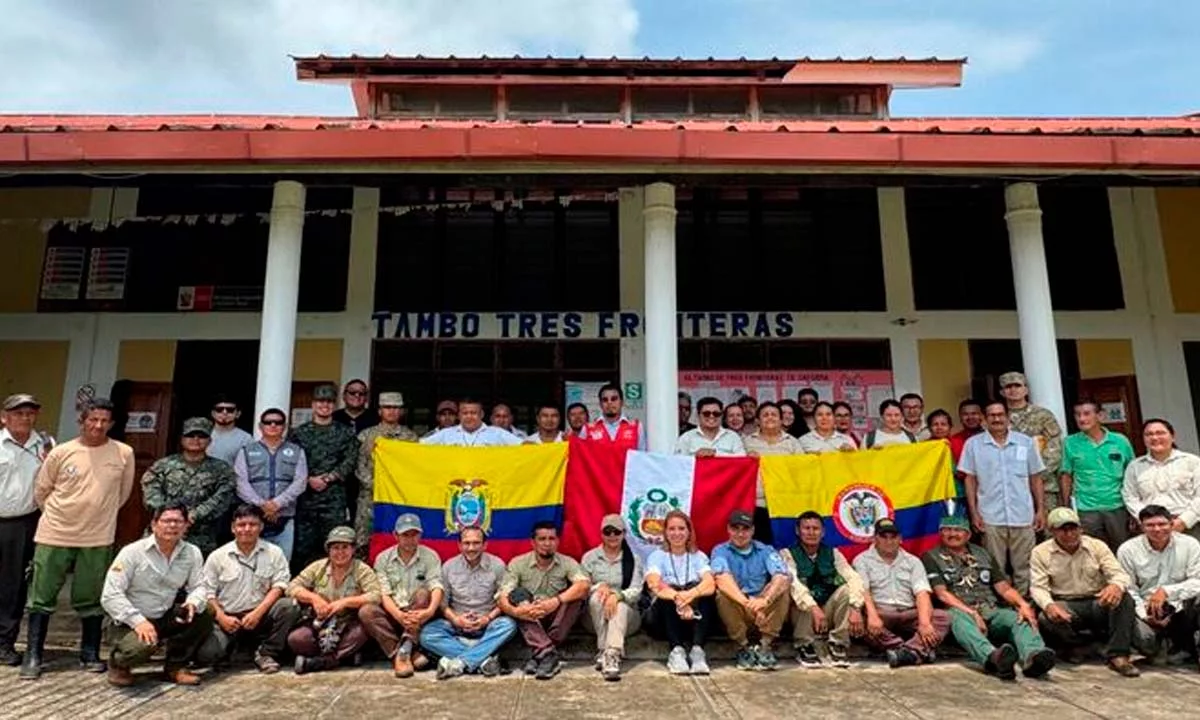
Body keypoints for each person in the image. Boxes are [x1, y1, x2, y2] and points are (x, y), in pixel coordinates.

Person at [22, 397, 135, 680]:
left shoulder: (124, 453)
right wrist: (61, 515)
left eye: (104, 421)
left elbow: (122, 494)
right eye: (92, 419)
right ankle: (33, 655)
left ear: (112, 423)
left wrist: (97, 513)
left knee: (91, 595)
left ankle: (89, 653)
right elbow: (42, 490)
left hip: (98, 536)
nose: (98, 425)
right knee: (42, 595)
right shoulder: (62, 452)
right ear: (82, 421)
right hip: (55, 533)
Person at [922, 515, 1055, 680]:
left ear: (968, 535)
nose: (952, 534)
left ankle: (1034, 658)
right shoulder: (931, 557)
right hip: (959, 610)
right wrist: (971, 612)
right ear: (940, 533)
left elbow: (1003, 588)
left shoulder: (982, 553)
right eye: (947, 530)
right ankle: (993, 658)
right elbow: (941, 594)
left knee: (1019, 618)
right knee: (956, 618)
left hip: (990, 608)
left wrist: (1023, 604)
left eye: (958, 530)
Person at [101, 503, 213, 687]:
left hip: (163, 616)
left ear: (186, 526)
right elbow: (110, 595)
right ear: (154, 524)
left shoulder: (192, 553)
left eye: (178, 521)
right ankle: (118, 664)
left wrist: (193, 602)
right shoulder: (132, 552)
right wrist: (138, 622)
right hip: (128, 621)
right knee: (141, 647)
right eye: (166, 521)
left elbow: (199, 586)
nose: (172, 526)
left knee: (204, 611)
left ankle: (176, 666)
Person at [1030, 507, 1139, 676]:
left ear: (1081, 528)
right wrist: (1049, 605)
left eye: (1073, 528)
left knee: (1124, 598)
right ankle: (1079, 646)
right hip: (1066, 603)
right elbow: (1038, 587)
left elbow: (1119, 574)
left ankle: (1119, 655)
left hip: (1097, 600)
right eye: (1062, 529)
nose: (1069, 534)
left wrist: (1115, 585)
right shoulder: (1040, 552)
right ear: (1052, 531)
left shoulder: (1097, 546)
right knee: (1046, 618)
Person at [197, 504, 298, 674]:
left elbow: (279, 586)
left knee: (289, 606)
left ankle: (267, 653)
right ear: (233, 528)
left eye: (253, 524)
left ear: (261, 527)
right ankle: (233, 651)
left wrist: (257, 613)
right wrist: (221, 617)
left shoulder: (274, 552)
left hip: (261, 615)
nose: (247, 529)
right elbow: (207, 592)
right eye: (241, 525)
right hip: (229, 618)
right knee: (207, 655)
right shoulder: (217, 556)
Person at [959, 401, 1046, 596]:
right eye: (992, 415)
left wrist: (1040, 510)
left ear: (1008, 417)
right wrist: (974, 513)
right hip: (990, 515)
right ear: (984, 419)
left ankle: (1025, 603)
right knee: (994, 566)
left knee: (1025, 566)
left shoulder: (1025, 442)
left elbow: (1035, 478)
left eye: (1000, 415)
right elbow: (970, 480)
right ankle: (1001, 603)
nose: (996, 419)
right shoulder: (973, 445)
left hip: (1022, 514)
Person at [418, 527, 517, 680]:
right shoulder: (449, 567)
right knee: (427, 634)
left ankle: (460, 662)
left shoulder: (497, 566)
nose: (471, 548)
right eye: (467, 543)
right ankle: (483, 659)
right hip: (457, 625)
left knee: (508, 625)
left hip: (487, 624)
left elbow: (502, 601)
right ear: (459, 545)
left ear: (485, 545)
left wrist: (487, 619)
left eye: (476, 543)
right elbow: (443, 604)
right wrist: (456, 619)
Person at [0, 393, 54, 666]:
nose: (25, 418)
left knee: (13, 587)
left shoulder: (46, 445)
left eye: (30, 413)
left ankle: (4, 644)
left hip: (23, 523)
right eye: (18, 413)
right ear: (4, 417)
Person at [497, 521, 590, 680]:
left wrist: (556, 601)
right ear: (533, 542)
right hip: (530, 618)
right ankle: (548, 654)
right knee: (516, 595)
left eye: (551, 539)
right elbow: (502, 596)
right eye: (542, 539)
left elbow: (584, 585)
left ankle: (540, 654)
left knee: (576, 597)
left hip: (556, 618)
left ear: (557, 541)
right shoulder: (518, 563)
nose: (547, 544)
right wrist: (516, 611)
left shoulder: (567, 562)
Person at [852, 517, 950, 667]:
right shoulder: (862, 560)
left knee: (942, 617)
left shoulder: (913, 561)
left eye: (893, 537)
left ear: (900, 539)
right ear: (875, 539)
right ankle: (916, 650)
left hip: (909, 613)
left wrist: (924, 623)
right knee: (860, 622)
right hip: (881, 613)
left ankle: (906, 652)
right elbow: (863, 591)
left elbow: (922, 593)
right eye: (883, 537)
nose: (889, 541)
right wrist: (872, 616)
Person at [287, 526, 381, 674]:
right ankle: (343, 657)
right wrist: (314, 599)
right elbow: (292, 587)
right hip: (320, 623)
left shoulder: (362, 569)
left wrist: (346, 602)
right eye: (335, 548)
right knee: (297, 639)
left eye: (345, 547)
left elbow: (375, 595)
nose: (340, 552)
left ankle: (322, 661)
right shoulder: (318, 567)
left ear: (353, 549)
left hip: (348, 622)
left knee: (362, 632)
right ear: (328, 550)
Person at [360, 513, 444, 678]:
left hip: (419, 614)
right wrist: (398, 615)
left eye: (414, 534)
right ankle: (402, 653)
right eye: (405, 535)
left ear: (420, 535)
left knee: (423, 594)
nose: (410, 539)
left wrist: (430, 611)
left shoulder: (430, 556)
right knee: (366, 611)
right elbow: (384, 593)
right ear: (396, 535)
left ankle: (405, 649)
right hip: (393, 612)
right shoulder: (383, 558)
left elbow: (436, 586)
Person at [141, 417, 237, 557]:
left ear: (209, 441)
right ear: (182, 439)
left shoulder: (222, 469)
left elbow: (222, 497)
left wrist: (192, 516)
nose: (196, 439)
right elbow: (151, 493)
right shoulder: (162, 466)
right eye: (190, 435)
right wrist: (172, 516)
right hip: (163, 533)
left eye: (202, 436)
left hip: (200, 538)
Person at [780, 511, 865, 668]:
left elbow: (853, 577)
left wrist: (856, 607)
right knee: (798, 592)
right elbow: (794, 584)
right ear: (798, 531)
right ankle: (804, 644)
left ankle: (838, 643)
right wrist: (813, 608)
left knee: (846, 590)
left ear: (823, 532)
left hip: (827, 609)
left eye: (815, 528)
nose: (811, 532)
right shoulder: (787, 554)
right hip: (803, 614)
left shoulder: (833, 553)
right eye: (807, 528)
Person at [289, 384, 360, 572]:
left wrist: (329, 478)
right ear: (313, 405)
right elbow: (291, 461)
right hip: (306, 499)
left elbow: (351, 460)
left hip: (333, 499)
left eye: (329, 402)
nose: (324, 406)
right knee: (302, 548)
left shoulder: (345, 432)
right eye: (320, 401)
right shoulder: (299, 433)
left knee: (334, 544)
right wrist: (308, 479)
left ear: (334, 405)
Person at [1117, 504, 1200, 664]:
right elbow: (1129, 588)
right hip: (1146, 609)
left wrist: (1166, 592)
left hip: (1182, 607)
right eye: (1150, 525)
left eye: (1162, 524)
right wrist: (1144, 615)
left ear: (1172, 523)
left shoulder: (1190, 545)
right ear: (1141, 527)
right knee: (1146, 642)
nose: (1157, 529)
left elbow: (1198, 581)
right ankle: (1163, 646)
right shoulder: (1127, 550)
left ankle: (1189, 648)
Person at [712, 510, 791, 671]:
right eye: (735, 529)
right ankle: (743, 647)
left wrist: (765, 600)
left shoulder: (766, 550)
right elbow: (721, 578)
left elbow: (782, 576)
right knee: (722, 594)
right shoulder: (720, 551)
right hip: (739, 607)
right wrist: (747, 603)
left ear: (753, 530)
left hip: (762, 607)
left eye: (745, 529)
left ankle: (765, 646)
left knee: (782, 588)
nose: (740, 534)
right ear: (728, 529)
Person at [644, 510, 717, 675]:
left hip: (693, 618)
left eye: (681, 528)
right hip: (662, 621)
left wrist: (689, 596)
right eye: (672, 529)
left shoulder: (698, 556)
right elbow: (654, 583)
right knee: (667, 592)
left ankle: (697, 651)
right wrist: (678, 598)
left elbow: (710, 584)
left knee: (706, 595)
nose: (677, 533)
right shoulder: (657, 556)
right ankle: (676, 651)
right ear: (665, 532)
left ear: (689, 532)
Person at [233, 408, 309, 562]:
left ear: (284, 426)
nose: (273, 425)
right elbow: (240, 482)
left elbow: (300, 481)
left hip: (285, 517)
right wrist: (262, 505)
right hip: (253, 517)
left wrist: (277, 504)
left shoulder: (296, 451)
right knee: (251, 562)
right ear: (260, 426)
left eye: (278, 422)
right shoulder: (246, 451)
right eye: (268, 422)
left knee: (282, 563)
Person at [1061, 398, 1136, 552]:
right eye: (1077, 414)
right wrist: (1066, 504)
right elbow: (1066, 475)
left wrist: (1133, 507)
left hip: (1117, 506)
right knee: (1091, 552)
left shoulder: (1120, 441)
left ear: (1100, 416)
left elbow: (1132, 473)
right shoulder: (1070, 442)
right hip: (1086, 509)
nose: (1082, 418)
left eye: (1086, 414)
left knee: (1122, 550)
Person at [579, 514, 643, 681]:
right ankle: (605, 650)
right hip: (594, 618)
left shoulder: (633, 559)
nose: (612, 536)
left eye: (617, 532)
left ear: (624, 533)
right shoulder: (590, 558)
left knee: (619, 606)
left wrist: (617, 595)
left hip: (627, 619)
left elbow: (637, 590)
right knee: (598, 597)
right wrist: (598, 587)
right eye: (608, 532)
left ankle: (611, 653)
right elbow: (581, 588)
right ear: (601, 534)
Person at [353, 392, 418, 552]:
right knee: (364, 540)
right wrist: (376, 486)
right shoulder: (366, 436)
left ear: (401, 411)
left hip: (399, 497)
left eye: (396, 408)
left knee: (396, 537)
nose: (392, 411)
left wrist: (397, 487)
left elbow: (413, 468)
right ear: (380, 411)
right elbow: (360, 465)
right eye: (387, 407)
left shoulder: (410, 438)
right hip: (370, 497)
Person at [1122, 419, 1200, 542]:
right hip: (1150, 529)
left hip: (1188, 526)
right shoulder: (1135, 466)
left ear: (1172, 436)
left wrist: (1183, 521)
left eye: (1160, 433)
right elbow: (1129, 497)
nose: (1154, 437)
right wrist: (1148, 521)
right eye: (1149, 434)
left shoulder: (1192, 462)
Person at [1002, 371, 1065, 512]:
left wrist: (1037, 476)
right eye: (1008, 387)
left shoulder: (1043, 415)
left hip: (1044, 486)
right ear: (1002, 392)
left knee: (1048, 523)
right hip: (1011, 489)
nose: (1013, 390)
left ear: (1026, 389)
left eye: (1017, 385)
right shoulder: (998, 418)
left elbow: (1054, 449)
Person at [743, 402, 802, 543]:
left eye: (774, 415)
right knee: (760, 545)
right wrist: (746, 459)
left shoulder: (792, 443)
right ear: (758, 421)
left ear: (781, 420)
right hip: (758, 504)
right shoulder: (746, 442)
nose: (770, 417)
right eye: (765, 415)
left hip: (785, 503)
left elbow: (802, 470)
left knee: (785, 545)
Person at [421, 398, 523, 447]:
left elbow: (524, 446)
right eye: (465, 413)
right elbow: (419, 446)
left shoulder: (498, 433)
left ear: (481, 414)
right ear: (459, 415)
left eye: (473, 413)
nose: (469, 416)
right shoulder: (445, 434)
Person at [675, 397, 746, 457]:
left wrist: (716, 454)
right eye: (706, 413)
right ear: (698, 415)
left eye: (716, 413)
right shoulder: (686, 438)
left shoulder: (733, 437)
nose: (711, 416)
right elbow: (679, 463)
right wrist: (695, 456)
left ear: (721, 415)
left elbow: (742, 461)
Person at [585, 384, 647, 451]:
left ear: (622, 402)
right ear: (600, 404)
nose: (609, 402)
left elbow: (642, 454)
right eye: (605, 400)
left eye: (614, 399)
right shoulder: (588, 429)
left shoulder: (636, 427)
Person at [207, 395, 253, 466]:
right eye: (219, 409)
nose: (224, 412)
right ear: (213, 413)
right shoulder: (201, 434)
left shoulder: (246, 439)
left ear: (238, 414)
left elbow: (251, 465)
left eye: (230, 410)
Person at [949, 399, 985, 465]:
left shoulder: (991, 438)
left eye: (974, 413)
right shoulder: (953, 441)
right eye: (965, 414)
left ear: (981, 416)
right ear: (960, 417)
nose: (970, 417)